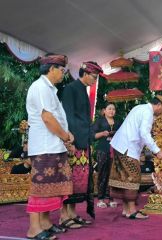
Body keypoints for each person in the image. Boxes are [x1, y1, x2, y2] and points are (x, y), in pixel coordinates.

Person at [25, 54, 74, 240]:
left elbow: (56, 118)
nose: (63, 74)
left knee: (51, 187)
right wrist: (66, 137)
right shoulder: (40, 87)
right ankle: (33, 229)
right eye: (61, 70)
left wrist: (65, 137)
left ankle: (45, 223)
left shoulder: (50, 89)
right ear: (51, 69)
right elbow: (47, 118)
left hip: (53, 146)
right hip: (45, 146)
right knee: (40, 188)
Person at [109, 95, 162, 219]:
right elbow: (144, 134)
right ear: (159, 105)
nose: (161, 113)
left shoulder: (139, 107)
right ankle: (131, 211)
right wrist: (157, 151)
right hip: (127, 148)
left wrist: (153, 150)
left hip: (121, 146)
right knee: (133, 178)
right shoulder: (147, 113)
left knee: (125, 179)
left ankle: (126, 210)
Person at [60, 61, 103, 228]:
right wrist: (69, 141)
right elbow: (68, 117)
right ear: (85, 73)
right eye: (94, 77)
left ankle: (73, 213)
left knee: (80, 181)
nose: (95, 80)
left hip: (83, 142)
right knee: (70, 180)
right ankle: (64, 216)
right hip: (73, 142)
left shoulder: (83, 89)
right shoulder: (71, 88)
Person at [92, 103, 120, 208]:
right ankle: (101, 198)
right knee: (102, 173)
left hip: (114, 150)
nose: (111, 111)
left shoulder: (117, 122)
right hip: (102, 150)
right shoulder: (99, 121)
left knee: (112, 174)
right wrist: (102, 134)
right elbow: (92, 135)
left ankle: (111, 197)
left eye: (113, 109)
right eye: (109, 109)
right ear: (104, 110)